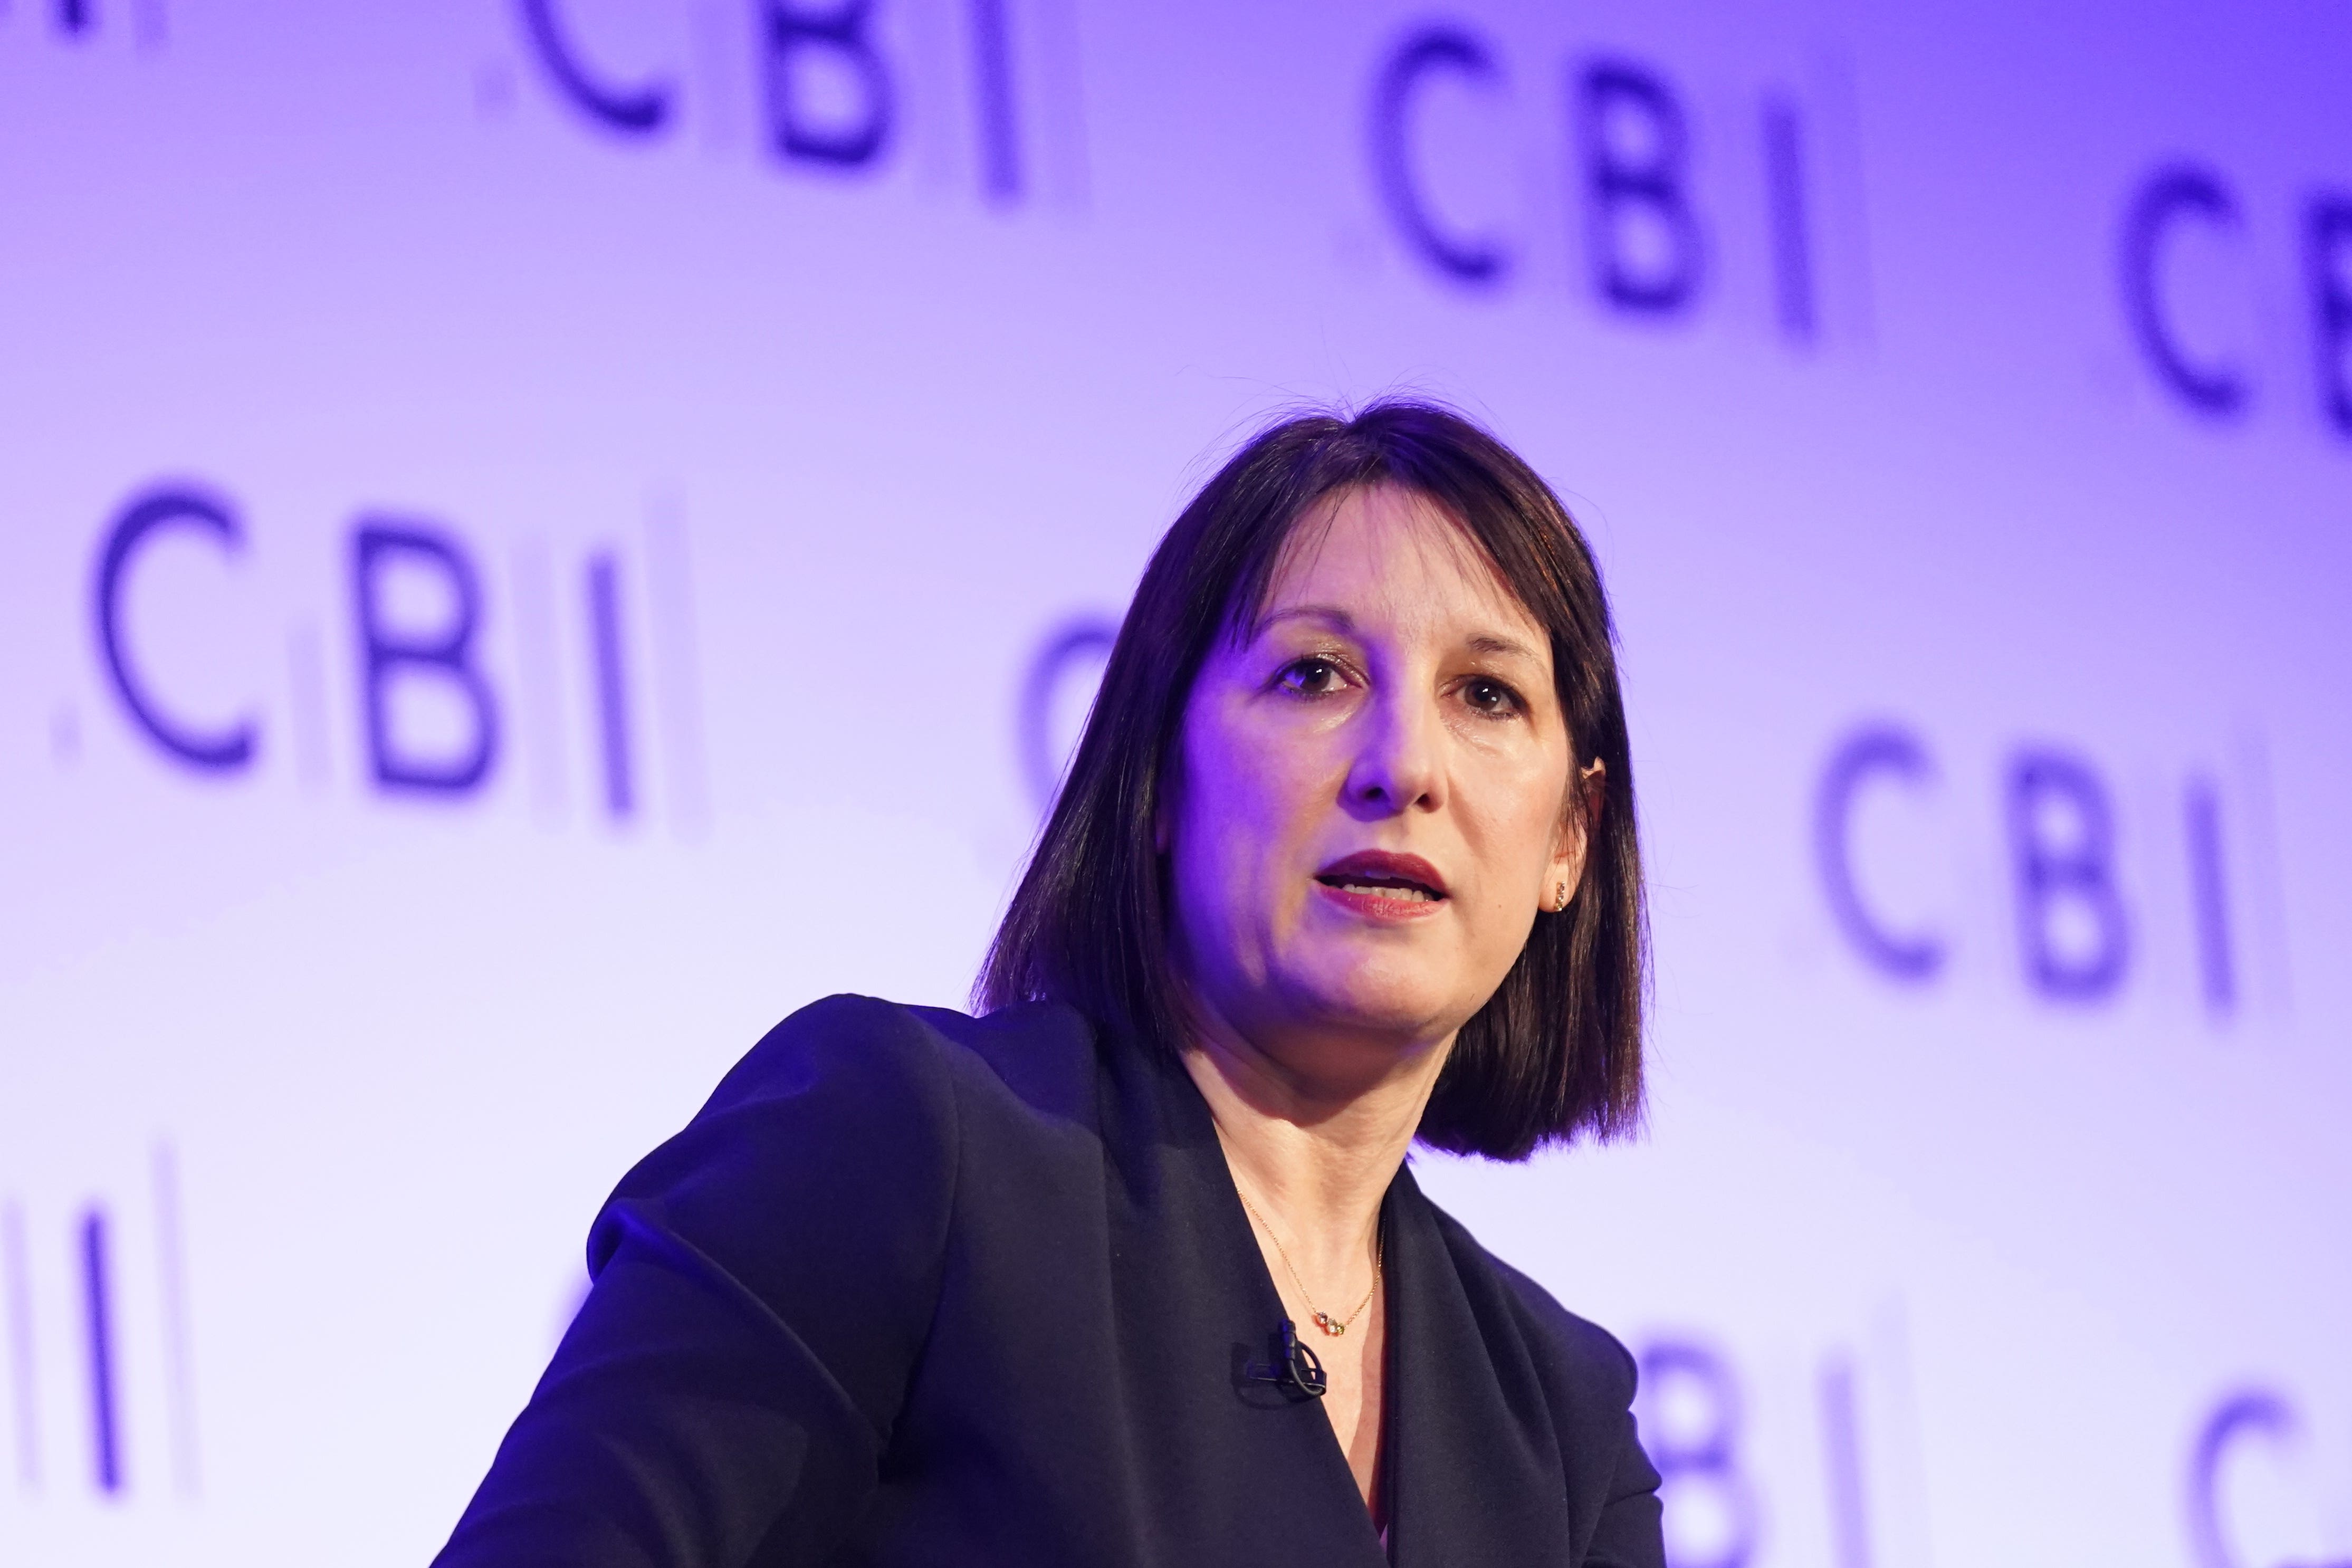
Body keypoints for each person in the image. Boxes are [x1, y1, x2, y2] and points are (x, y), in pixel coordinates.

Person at [433, 400, 1661, 1567]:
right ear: (1162, 774)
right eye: (1314, 675)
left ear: (1569, 836)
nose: (1403, 765)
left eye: (1486, 695)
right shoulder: (898, 1144)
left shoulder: (1566, 1429)